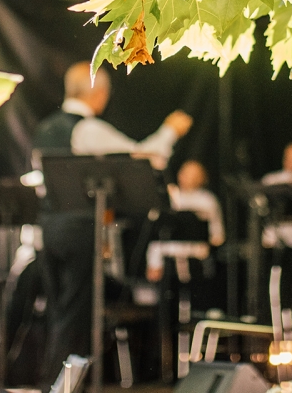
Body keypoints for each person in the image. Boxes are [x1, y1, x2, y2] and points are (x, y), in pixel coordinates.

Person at [33, 62, 192, 388]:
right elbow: (143, 158)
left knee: (58, 312)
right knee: (78, 315)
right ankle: (63, 387)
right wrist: (170, 131)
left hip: (47, 229)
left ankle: (52, 383)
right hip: (79, 229)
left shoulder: (44, 128)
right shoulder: (87, 129)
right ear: (98, 93)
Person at [170, 160, 224, 246]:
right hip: (169, 249)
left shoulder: (207, 200)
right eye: (182, 172)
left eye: (187, 174)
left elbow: (217, 233)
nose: (182, 176)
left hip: (195, 249)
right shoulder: (172, 196)